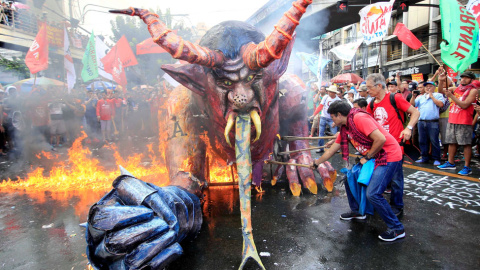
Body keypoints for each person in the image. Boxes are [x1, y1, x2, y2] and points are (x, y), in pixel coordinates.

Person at [311, 100, 405, 241]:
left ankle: (397, 229)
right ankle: (358, 212)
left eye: (332, 117)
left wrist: (367, 157)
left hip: (388, 156)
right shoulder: (345, 128)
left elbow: (380, 139)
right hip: (375, 157)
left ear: (339, 114)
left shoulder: (359, 118)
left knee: (373, 194)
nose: (332, 120)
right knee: (349, 179)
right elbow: (331, 151)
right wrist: (316, 163)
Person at [366, 73, 419, 216]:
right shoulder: (371, 104)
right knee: (381, 177)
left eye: (369, 87)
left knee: (396, 179)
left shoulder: (395, 98)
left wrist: (408, 128)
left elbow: (415, 113)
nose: (367, 91)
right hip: (379, 147)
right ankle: (379, 203)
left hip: (396, 147)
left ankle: (397, 207)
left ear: (378, 86)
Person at [437, 71, 478, 175]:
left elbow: (464, 105)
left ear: (471, 80)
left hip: (464, 121)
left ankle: (467, 167)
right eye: (462, 77)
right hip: (453, 119)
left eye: (466, 78)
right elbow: (441, 91)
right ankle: (450, 163)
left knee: (466, 144)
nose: (463, 79)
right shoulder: (457, 88)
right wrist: (441, 80)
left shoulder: (473, 90)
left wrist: (452, 96)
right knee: (452, 142)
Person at [410, 81, 444, 165]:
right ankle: (424, 157)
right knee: (422, 141)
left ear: (434, 87)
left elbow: (441, 104)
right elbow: (412, 105)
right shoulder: (421, 97)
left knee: (434, 141)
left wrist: (431, 96)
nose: (428, 88)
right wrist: (413, 97)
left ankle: (436, 158)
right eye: (426, 87)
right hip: (421, 121)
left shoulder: (438, 95)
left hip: (433, 122)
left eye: (430, 86)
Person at [311, 85, 341, 152]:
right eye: (329, 91)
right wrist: (314, 114)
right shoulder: (325, 97)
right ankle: (320, 148)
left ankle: (335, 148)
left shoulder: (338, 100)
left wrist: (336, 121)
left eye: (331, 92)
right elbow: (320, 106)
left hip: (332, 119)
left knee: (334, 134)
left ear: (334, 93)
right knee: (321, 133)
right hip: (323, 117)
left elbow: (339, 112)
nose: (329, 93)